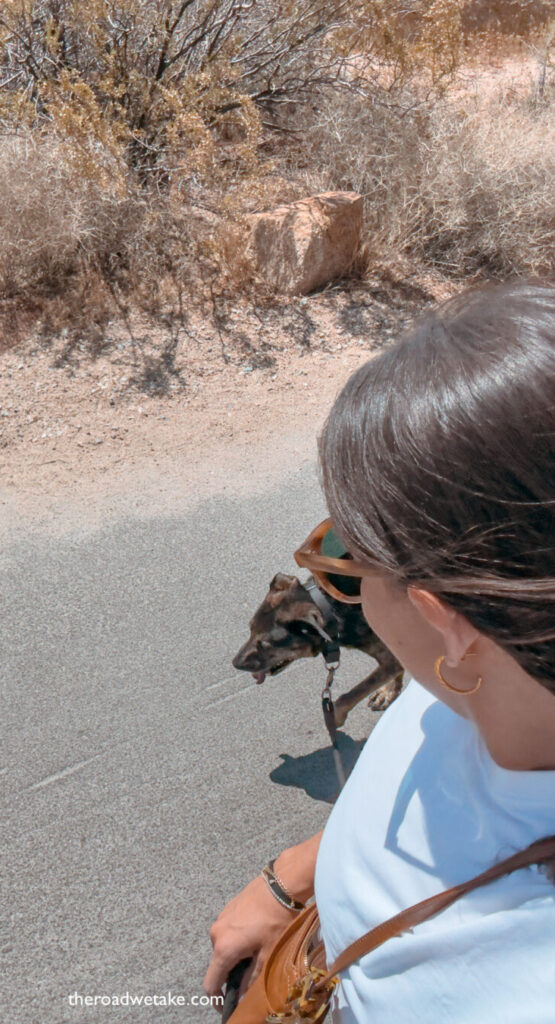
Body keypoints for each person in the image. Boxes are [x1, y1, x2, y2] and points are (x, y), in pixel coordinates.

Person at [203, 281, 555, 1022]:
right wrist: (300, 872)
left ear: (447, 619)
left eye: (347, 557)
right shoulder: (463, 690)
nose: (335, 572)